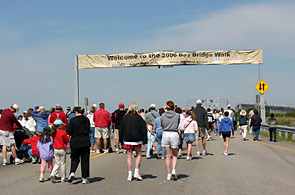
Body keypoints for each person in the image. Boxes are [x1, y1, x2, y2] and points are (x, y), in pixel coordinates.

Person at [119, 102, 147, 181]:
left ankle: (129, 174)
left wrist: (121, 140)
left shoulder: (125, 118)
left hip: (127, 139)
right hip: (137, 139)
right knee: (139, 154)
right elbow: (143, 129)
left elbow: (121, 129)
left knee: (129, 156)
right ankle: (136, 172)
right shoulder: (139, 118)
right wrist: (144, 140)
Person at [67, 107, 91, 184]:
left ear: (76, 112)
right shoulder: (86, 120)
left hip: (75, 141)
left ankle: (72, 173)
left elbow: (69, 131)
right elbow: (88, 129)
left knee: (74, 158)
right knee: (85, 160)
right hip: (85, 141)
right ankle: (84, 178)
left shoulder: (73, 120)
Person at [161, 101, 180, 181]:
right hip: (174, 133)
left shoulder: (163, 115)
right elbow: (178, 123)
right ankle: (174, 170)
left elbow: (162, 125)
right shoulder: (177, 115)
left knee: (168, 156)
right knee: (174, 155)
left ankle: (168, 174)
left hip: (166, 133)